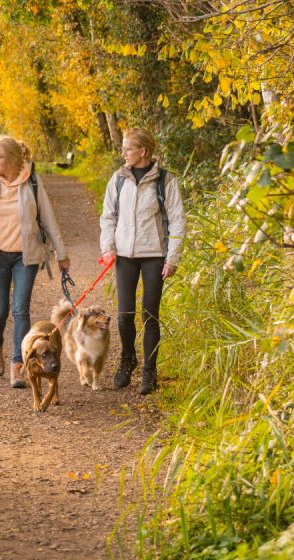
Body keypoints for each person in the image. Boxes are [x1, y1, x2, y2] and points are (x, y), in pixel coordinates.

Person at [0, 135, 70, 389]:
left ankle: (17, 365)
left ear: (12, 159)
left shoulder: (32, 182)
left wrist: (61, 253)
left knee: (21, 309)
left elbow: (49, 219)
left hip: (26, 257)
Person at [99, 128, 186, 395]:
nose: (123, 153)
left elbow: (178, 221)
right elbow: (108, 217)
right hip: (124, 256)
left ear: (143, 152)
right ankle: (128, 359)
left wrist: (172, 258)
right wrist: (108, 248)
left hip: (154, 256)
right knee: (125, 316)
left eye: (127, 149)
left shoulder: (165, 180)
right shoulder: (118, 179)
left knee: (150, 315)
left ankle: (150, 371)